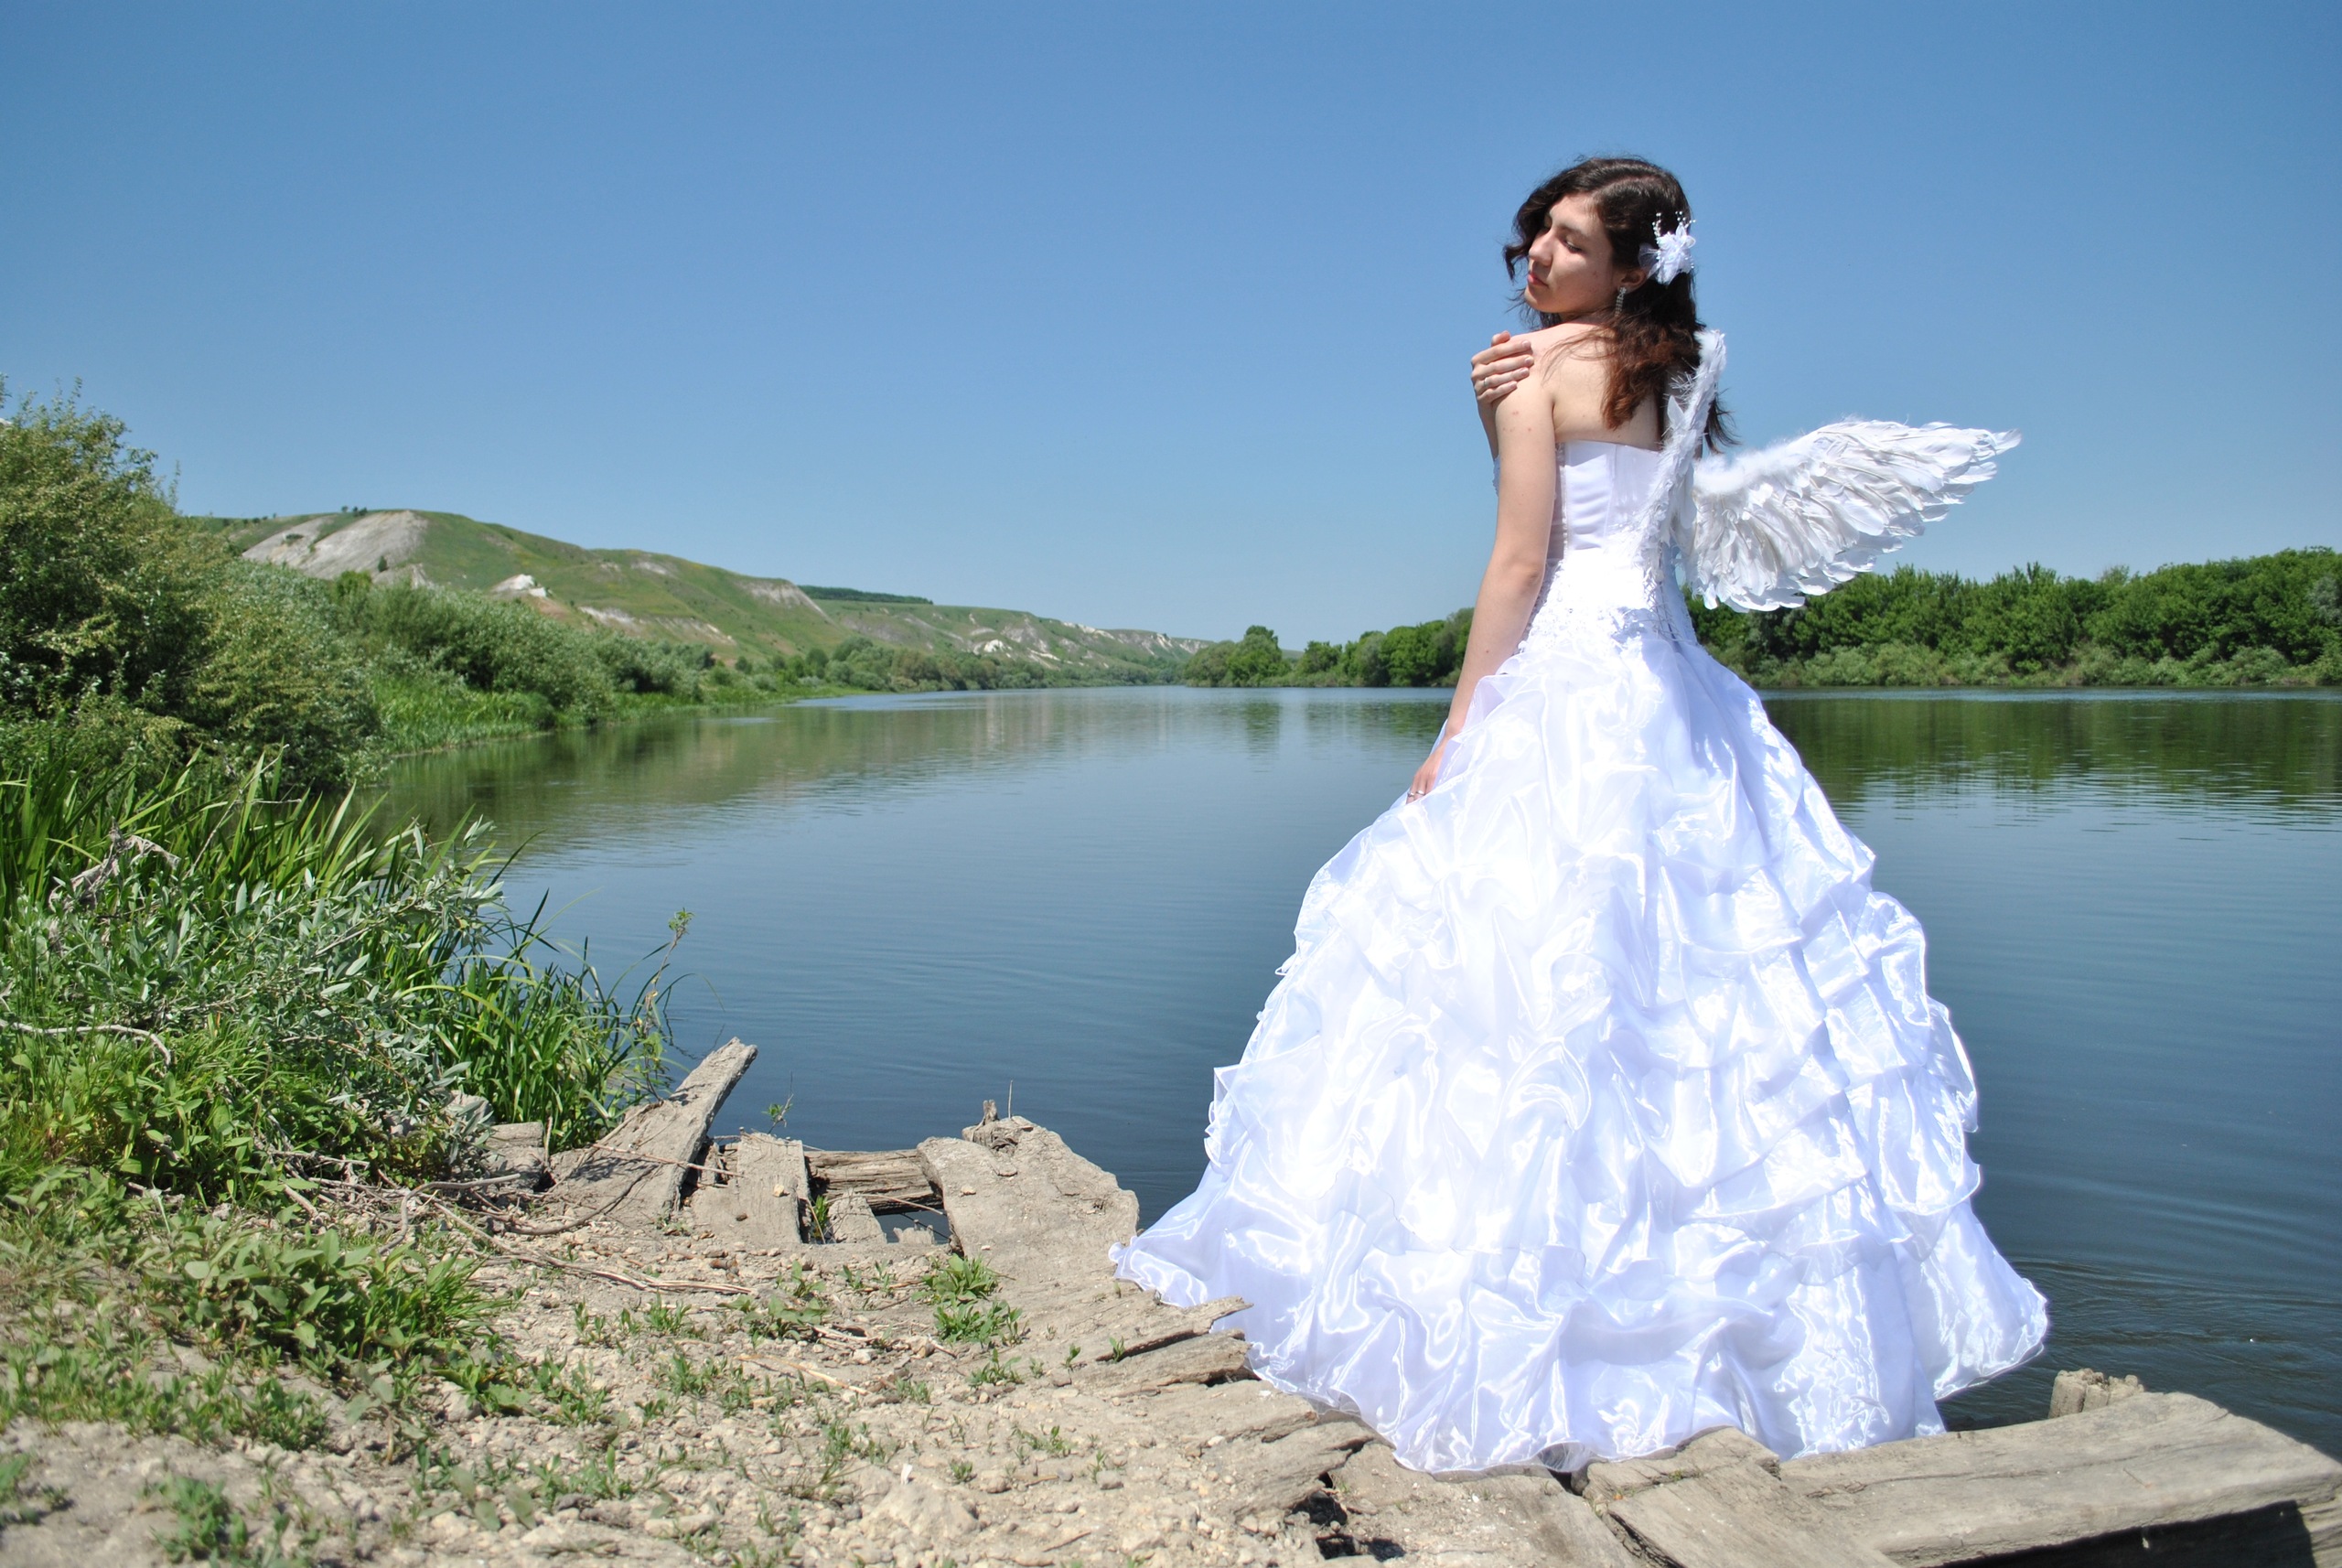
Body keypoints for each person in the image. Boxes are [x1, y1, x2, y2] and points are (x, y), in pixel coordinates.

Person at [1112, 156, 2047, 1474]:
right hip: (1675, 696)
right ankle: (1747, 1365)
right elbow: (1630, 527)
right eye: (1534, 238)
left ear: (1630, 262)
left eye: (1565, 241)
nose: (1536, 259)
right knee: (1696, 1014)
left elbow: (1521, 559)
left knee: (1525, 998)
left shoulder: (1534, 368)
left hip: (1567, 688)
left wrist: (1458, 729)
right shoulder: (1682, 370)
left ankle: (1522, 1336)